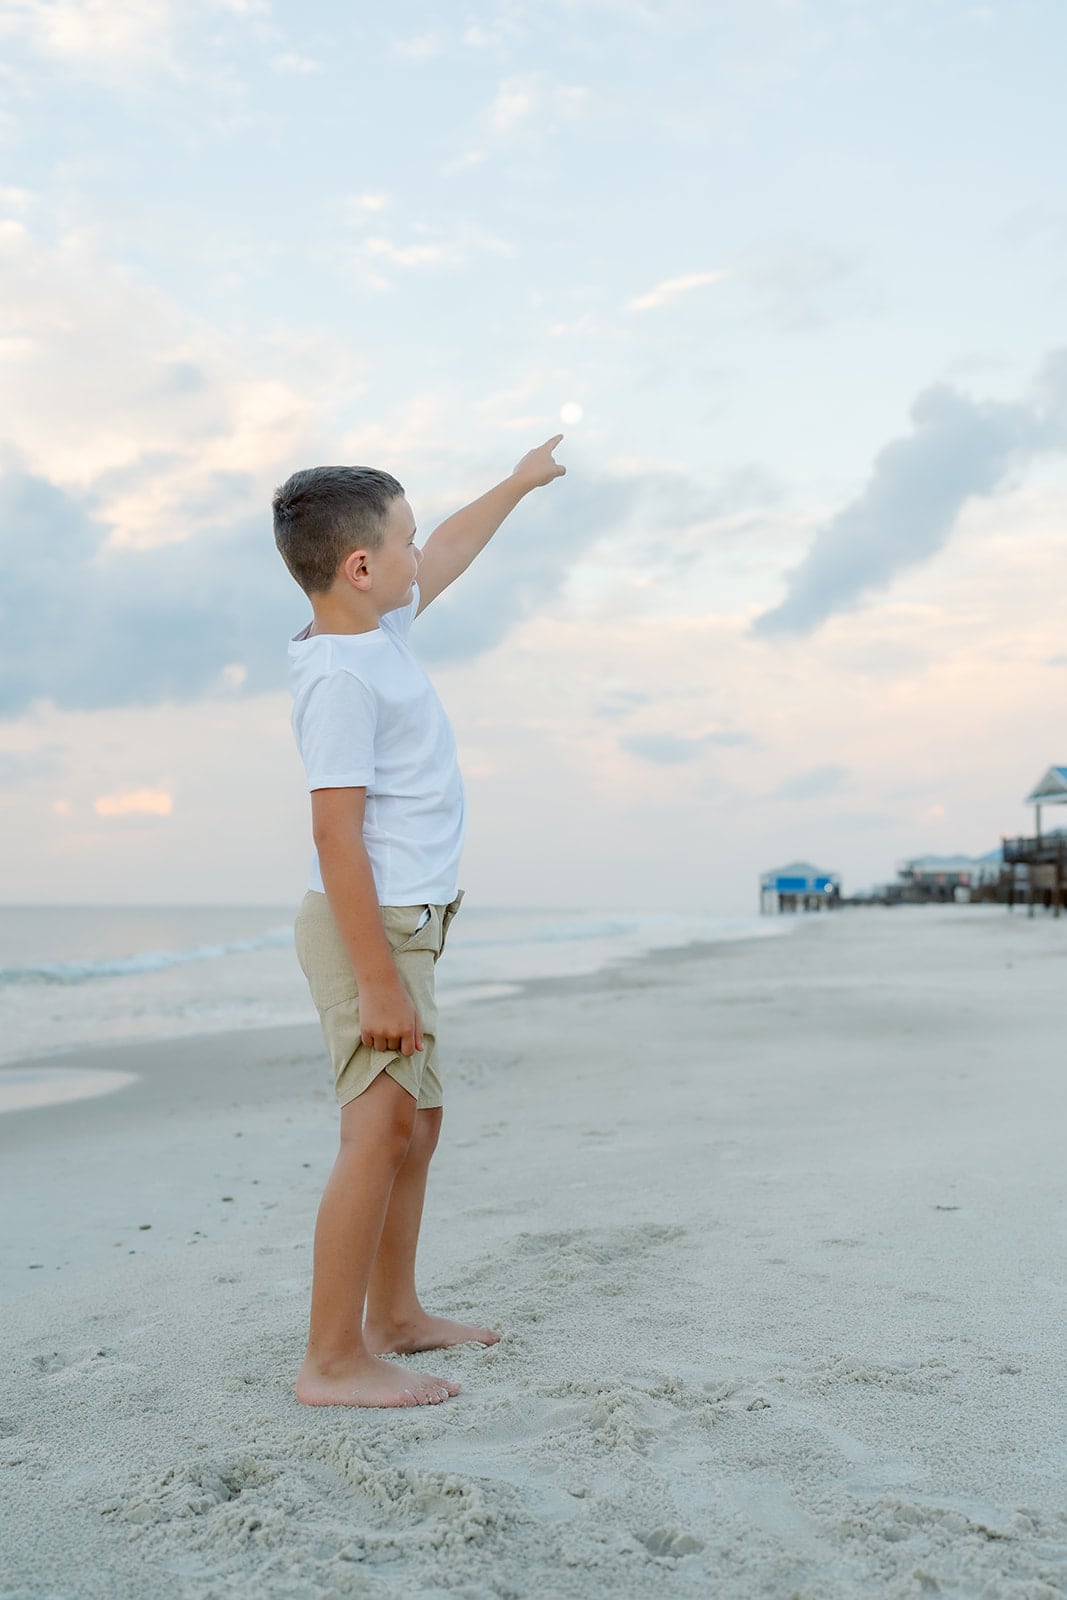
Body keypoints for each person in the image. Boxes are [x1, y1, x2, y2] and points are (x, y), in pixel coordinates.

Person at [273, 436, 566, 1407]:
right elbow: (333, 836)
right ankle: (331, 1358)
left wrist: (518, 483)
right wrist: (379, 980)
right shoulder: (340, 678)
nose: (415, 555)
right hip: (373, 932)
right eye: (396, 541)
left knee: (418, 1121)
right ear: (358, 568)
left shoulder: (379, 631)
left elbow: (446, 548)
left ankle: (392, 1313)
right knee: (376, 1128)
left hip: (411, 926)